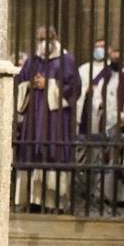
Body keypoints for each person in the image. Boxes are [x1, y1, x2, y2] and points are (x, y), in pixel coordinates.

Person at [15, 28, 79, 209]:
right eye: (40, 39)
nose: (43, 42)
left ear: (55, 38)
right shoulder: (32, 60)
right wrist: (30, 84)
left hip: (55, 118)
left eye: (47, 38)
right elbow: (20, 81)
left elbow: (75, 88)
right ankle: (33, 200)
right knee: (32, 152)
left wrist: (49, 84)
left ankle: (54, 201)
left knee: (53, 151)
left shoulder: (66, 60)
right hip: (34, 116)